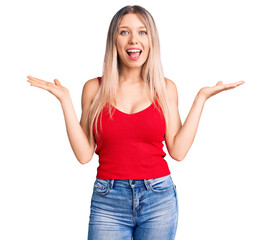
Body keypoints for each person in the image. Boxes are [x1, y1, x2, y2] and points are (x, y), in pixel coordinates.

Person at [26, 5, 245, 240]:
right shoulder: (94, 88)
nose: (134, 40)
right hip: (108, 200)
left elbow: (178, 151)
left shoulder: (165, 88)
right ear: (114, 40)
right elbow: (83, 155)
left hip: (158, 198)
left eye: (142, 32)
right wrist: (65, 100)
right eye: (124, 32)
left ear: (151, 40)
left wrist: (201, 98)